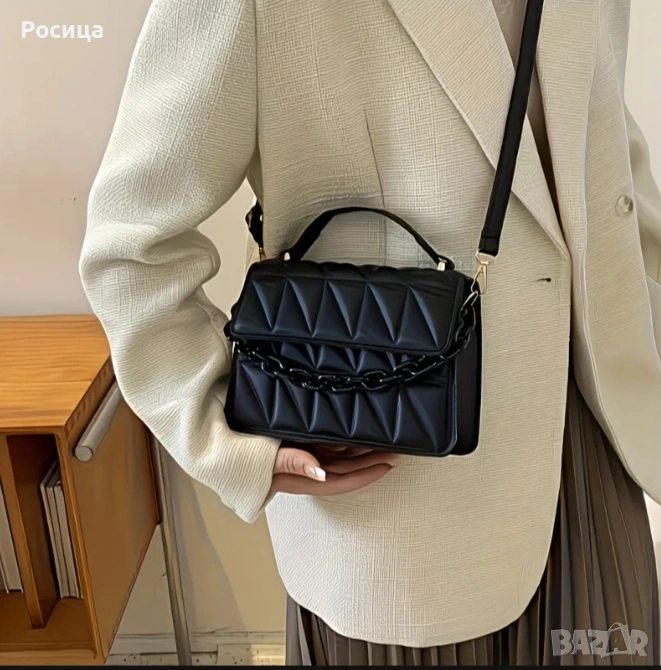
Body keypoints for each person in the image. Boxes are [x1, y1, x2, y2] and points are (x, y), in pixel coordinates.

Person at [80, 0, 661, 665]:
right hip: (399, 487)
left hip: (596, 444)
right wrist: (224, 433)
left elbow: (606, 149)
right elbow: (132, 246)